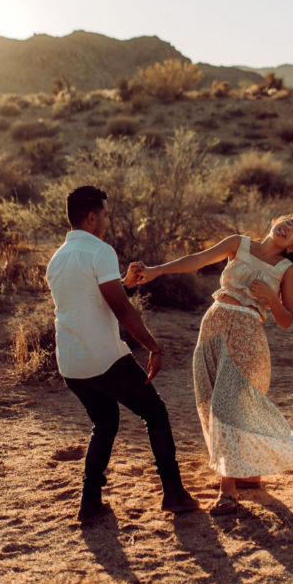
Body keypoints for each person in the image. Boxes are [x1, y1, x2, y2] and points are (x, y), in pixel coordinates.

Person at [137, 214, 293, 515]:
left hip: (247, 335)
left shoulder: (287, 269)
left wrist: (270, 297)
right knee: (210, 401)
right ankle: (248, 473)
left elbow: (286, 320)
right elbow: (197, 260)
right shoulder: (238, 243)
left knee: (225, 405)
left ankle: (227, 493)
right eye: (288, 222)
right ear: (276, 221)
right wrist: (155, 271)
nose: (287, 229)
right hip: (213, 327)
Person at [45, 184, 199, 523]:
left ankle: (89, 503)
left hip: (71, 362)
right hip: (104, 358)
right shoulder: (100, 251)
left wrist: (125, 282)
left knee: (105, 422)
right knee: (155, 413)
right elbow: (122, 311)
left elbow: (92, 298)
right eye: (103, 215)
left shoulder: (57, 259)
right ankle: (173, 493)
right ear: (91, 216)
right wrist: (154, 348)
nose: (105, 222)